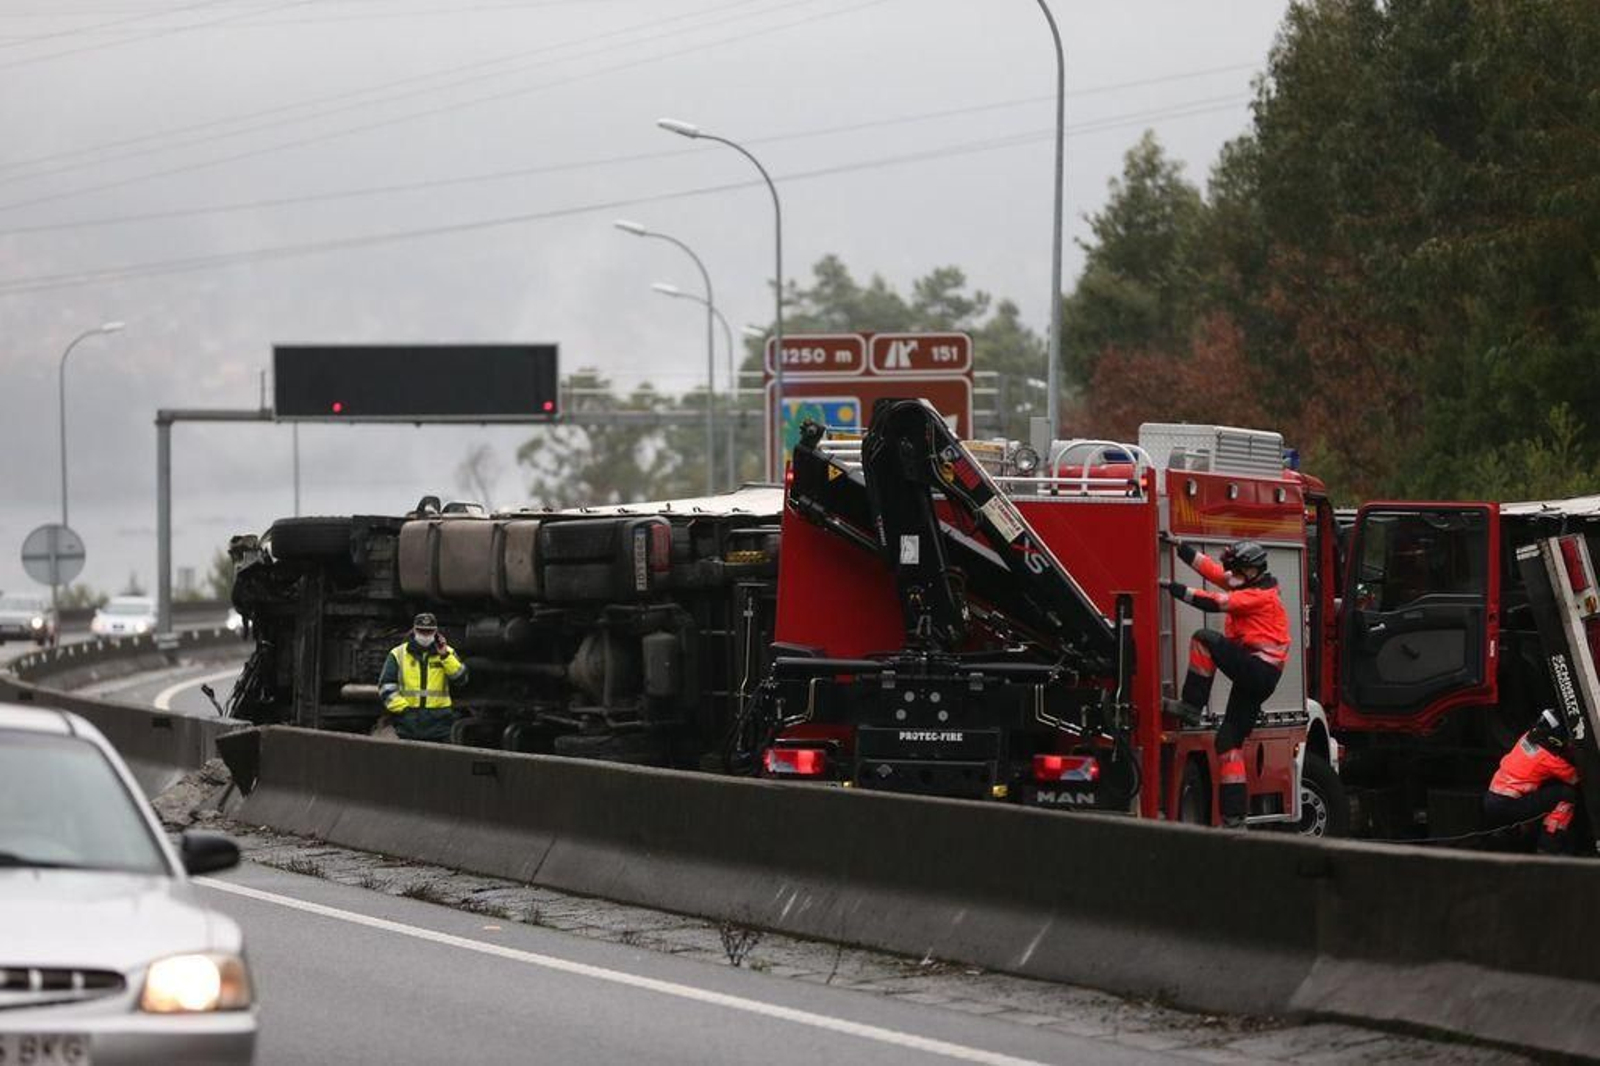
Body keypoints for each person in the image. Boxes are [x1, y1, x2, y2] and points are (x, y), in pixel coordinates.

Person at [1159, 537, 1290, 828]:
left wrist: (1171, 588)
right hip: (1261, 674)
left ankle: (1192, 706)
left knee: (1205, 640)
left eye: (1239, 571)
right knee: (1228, 741)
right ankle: (1234, 817)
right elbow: (1214, 571)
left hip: (1257, 668)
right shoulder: (1248, 582)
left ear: (1253, 571)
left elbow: (1214, 602)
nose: (1233, 576)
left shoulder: (1258, 596)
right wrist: (1180, 548)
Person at [1484, 709, 1580, 854]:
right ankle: (1548, 846)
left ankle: (1514, 840)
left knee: (1543, 794)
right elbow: (1575, 779)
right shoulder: (1548, 757)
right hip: (1507, 804)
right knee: (1566, 795)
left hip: (1491, 799)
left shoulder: (1527, 737)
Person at [377, 612, 468, 742]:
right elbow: (386, 687)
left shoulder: (448, 653)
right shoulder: (398, 654)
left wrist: (445, 656)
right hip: (408, 724)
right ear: (414, 630)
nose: (425, 635)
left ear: (436, 632)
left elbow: (461, 679)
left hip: (439, 724)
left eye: (429, 632)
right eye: (422, 631)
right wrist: (404, 710)